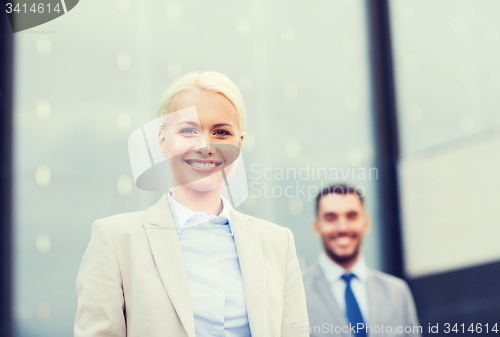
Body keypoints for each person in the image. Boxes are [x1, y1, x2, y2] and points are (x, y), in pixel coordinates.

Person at [74, 71, 309, 337]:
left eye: (221, 132)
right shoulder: (115, 240)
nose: (205, 145)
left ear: (239, 145)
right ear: (162, 141)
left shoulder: (278, 243)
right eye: (188, 130)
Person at [302, 184, 421, 337]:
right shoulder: (298, 293)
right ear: (317, 227)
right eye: (331, 218)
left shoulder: (397, 292)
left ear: (366, 223)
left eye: (351, 216)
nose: (342, 228)